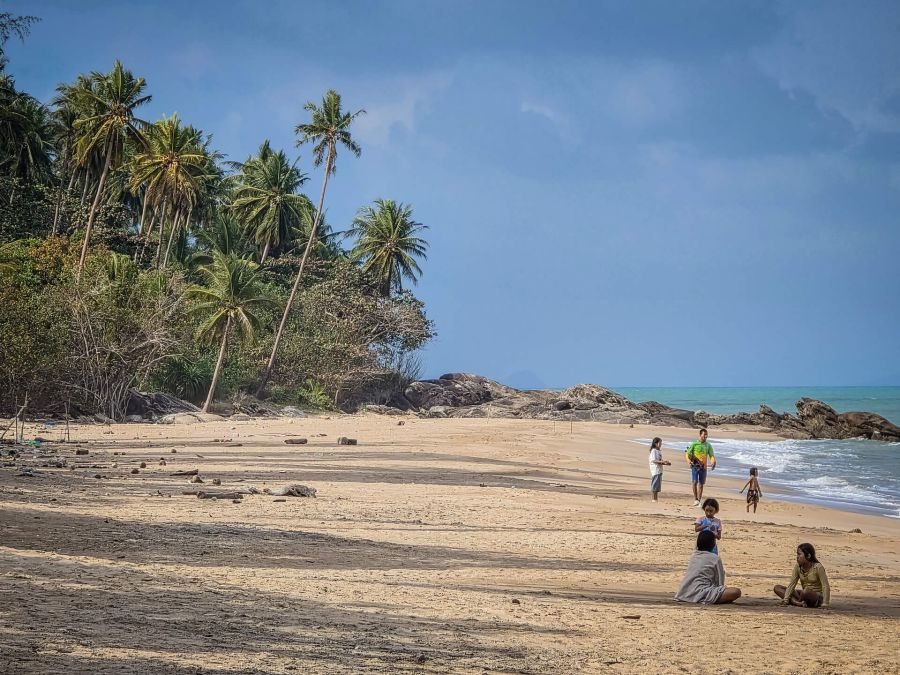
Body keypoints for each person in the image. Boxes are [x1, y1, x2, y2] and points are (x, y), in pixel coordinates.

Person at [674, 530, 742, 604]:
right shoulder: (715, 558)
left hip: (685, 593)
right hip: (702, 592)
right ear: (713, 544)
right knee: (736, 592)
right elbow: (719, 580)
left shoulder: (694, 555)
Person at [774, 543, 831, 608]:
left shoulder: (818, 567)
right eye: (797, 554)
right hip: (802, 595)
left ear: (808, 556)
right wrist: (785, 599)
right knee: (777, 588)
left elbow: (825, 586)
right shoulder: (798, 567)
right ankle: (798, 603)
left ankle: (796, 602)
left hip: (815, 597)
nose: (797, 557)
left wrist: (825, 603)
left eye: (799, 554)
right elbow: (792, 584)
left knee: (805, 592)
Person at [685, 428, 716, 506]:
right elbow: (687, 454)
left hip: (703, 467)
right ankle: (695, 499)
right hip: (695, 466)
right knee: (694, 482)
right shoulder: (694, 444)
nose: (705, 437)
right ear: (700, 435)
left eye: (706, 436)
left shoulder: (708, 445)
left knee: (701, 484)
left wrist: (713, 462)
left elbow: (711, 455)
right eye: (704, 435)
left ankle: (699, 500)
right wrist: (689, 461)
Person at [649, 437, 671, 502]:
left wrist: (665, 463)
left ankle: (656, 499)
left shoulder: (658, 451)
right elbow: (654, 460)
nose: (661, 444)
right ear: (656, 443)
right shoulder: (653, 451)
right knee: (654, 485)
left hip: (659, 470)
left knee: (657, 486)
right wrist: (662, 462)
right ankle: (653, 499)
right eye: (660, 443)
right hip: (655, 470)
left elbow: (659, 461)